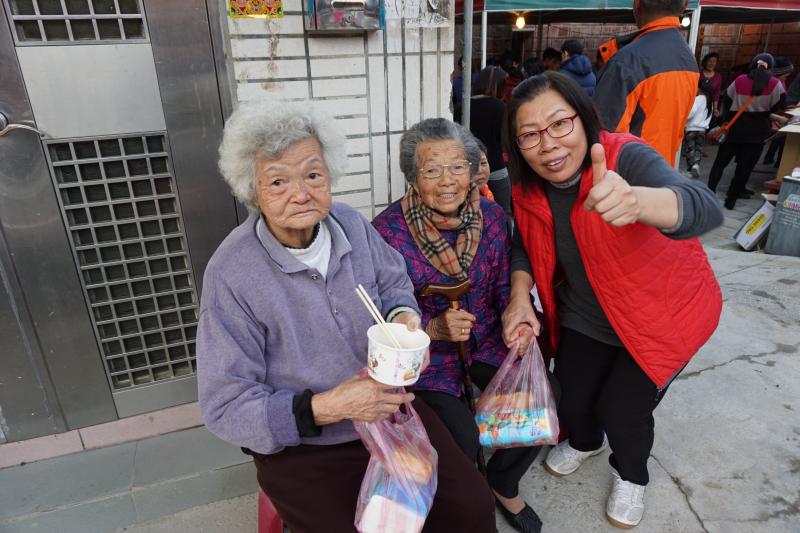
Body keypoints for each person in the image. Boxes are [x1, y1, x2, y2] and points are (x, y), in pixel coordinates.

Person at [196, 101, 496, 533]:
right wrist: (326, 407)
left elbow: (394, 282)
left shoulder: (350, 224)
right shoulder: (232, 273)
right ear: (252, 192)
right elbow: (225, 406)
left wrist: (403, 318)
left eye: (313, 174)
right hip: (307, 446)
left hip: (390, 412)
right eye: (278, 181)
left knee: (471, 508)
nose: (301, 193)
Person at [501, 72, 723, 529]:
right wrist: (520, 297)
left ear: (584, 119)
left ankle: (632, 473)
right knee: (571, 398)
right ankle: (585, 443)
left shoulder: (626, 157)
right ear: (517, 145)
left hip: (662, 317)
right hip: (586, 314)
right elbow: (523, 244)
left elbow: (703, 206)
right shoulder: (526, 189)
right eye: (530, 135)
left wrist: (640, 202)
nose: (548, 144)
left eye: (560, 124)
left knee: (622, 412)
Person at [373, 118, 555, 533]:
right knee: (461, 440)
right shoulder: (385, 233)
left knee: (543, 398)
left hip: (487, 338)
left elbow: (505, 284)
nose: (447, 181)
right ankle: (460, 496)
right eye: (432, 170)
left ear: (473, 170)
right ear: (413, 178)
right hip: (429, 362)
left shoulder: (492, 217)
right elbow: (379, 317)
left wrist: (516, 319)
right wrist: (433, 328)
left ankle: (502, 481)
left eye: (458, 167)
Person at [594, 0, 699, 163]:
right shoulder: (688, 59)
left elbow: (604, 138)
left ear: (637, 4)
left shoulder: (627, 62)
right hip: (662, 168)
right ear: (685, 5)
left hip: (628, 172)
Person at [707, 53, 786, 209]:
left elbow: (727, 99)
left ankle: (709, 194)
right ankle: (731, 201)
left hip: (734, 131)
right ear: (770, 68)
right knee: (744, 169)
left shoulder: (740, 80)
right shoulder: (775, 84)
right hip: (757, 133)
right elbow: (779, 105)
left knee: (719, 164)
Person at [470, 66, 512, 217]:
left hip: (470, 169)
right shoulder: (500, 107)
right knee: (502, 213)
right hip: (496, 167)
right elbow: (506, 139)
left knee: (474, 212)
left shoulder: (463, 105)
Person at [763, 57, 794, 166]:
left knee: (780, 136)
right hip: (767, 119)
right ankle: (777, 162)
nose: (786, 78)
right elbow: (764, 107)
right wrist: (778, 117)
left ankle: (772, 159)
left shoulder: (780, 82)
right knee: (781, 137)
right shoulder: (772, 83)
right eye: (785, 76)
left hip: (774, 116)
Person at [682, 79, 714, 178]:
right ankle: (696, 165)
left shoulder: (698, 99)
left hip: (691, 128)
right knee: (698, 149)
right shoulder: (710, 102)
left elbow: (691, 112)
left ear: (699, 89)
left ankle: (690, 169)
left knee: (690, 149)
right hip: (702, 130)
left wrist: (684, 119)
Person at [700, 52, 723, 118]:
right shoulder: (698, 74)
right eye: (709, 61)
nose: (711, 63)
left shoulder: (718, 77)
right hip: (697, 104)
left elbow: (716, 93)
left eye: (714, 61)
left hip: (709, 106)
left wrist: (715, 108)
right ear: (705, 62)